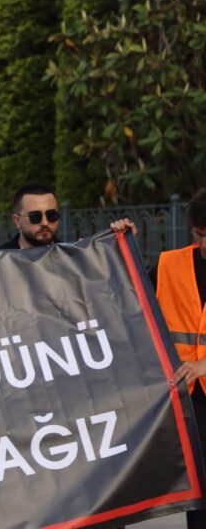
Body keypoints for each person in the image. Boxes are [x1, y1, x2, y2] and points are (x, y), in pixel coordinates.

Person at [157, 188, 206, 529]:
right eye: (199, 235)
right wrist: (120, 242)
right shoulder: (168, 265)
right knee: (199, 495)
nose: (205, 245)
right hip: (190, 400)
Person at [0, 185, 61, 249]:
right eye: (35, 216)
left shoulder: (66, 253)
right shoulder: (1, 255)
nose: (45, 223)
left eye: (51, 215)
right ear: (17, 220)